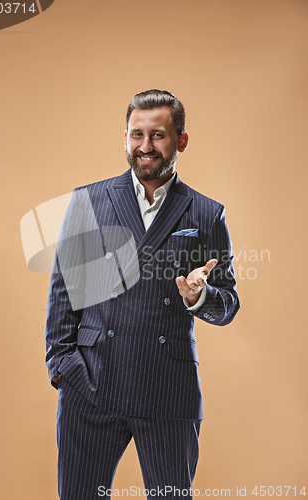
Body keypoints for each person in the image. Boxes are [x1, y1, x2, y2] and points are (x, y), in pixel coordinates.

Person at [45, 89, 240, 500]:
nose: (145, 147)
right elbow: (64, 288)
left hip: (168, 388)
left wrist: (197, 299)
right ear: (126, 137)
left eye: (158, 136)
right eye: (137, 135)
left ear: (181, 141)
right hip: (92, 380)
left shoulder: (206, 213)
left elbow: (229, 305)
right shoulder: (89, 200)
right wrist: (62, 364)